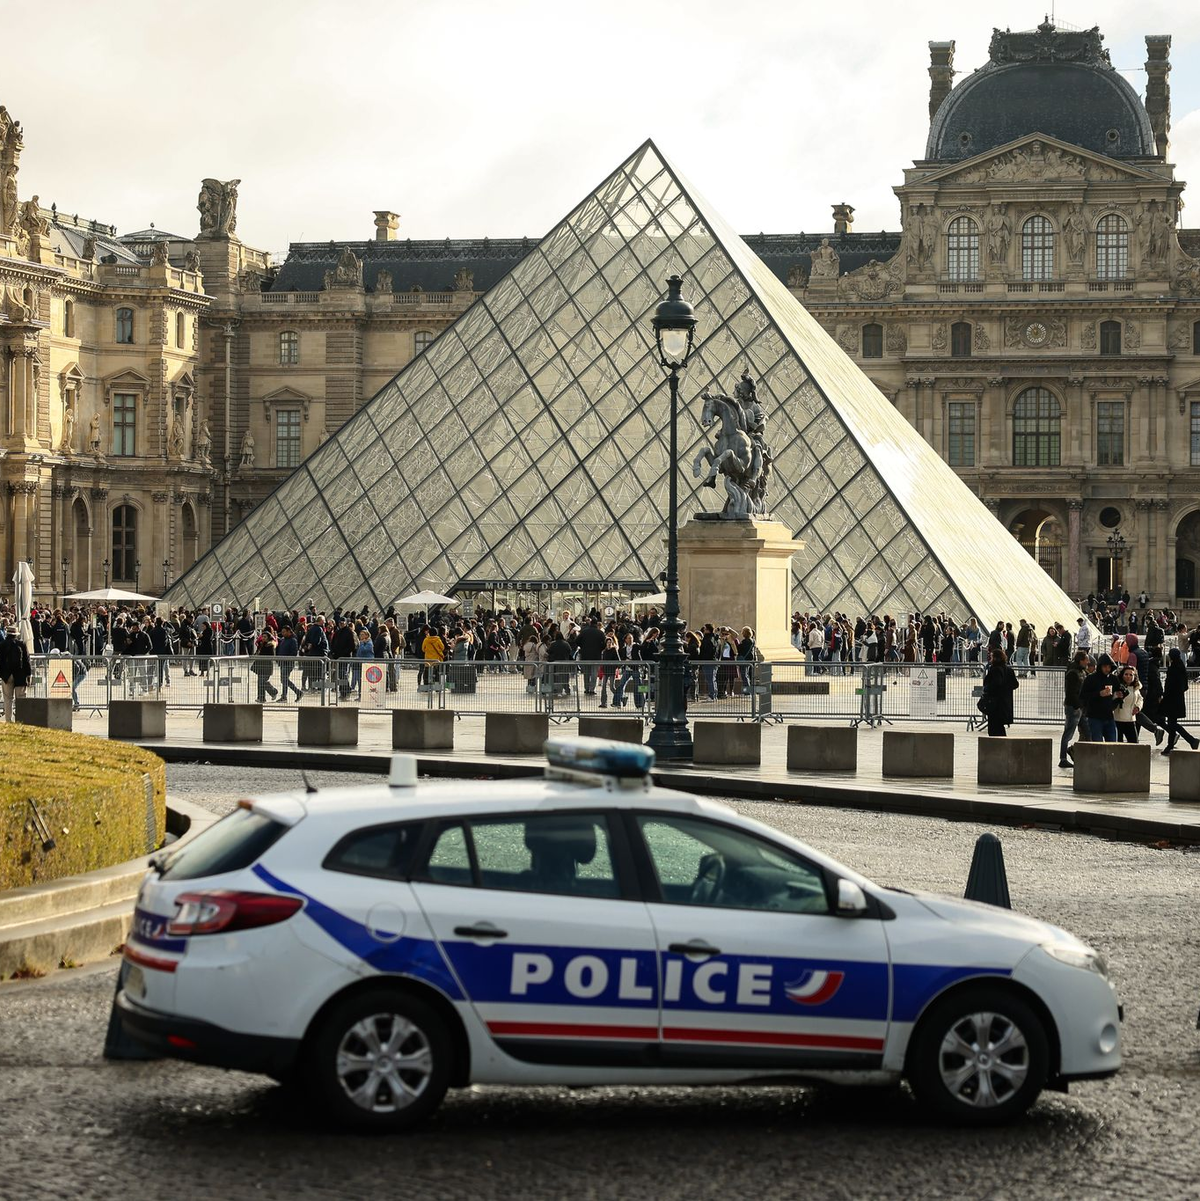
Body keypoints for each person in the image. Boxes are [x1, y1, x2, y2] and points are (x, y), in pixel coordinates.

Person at [1161, 647, 1200, 754]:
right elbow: (1185, 686)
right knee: (1172, 723)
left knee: (1172, 724)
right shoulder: (1181, 667)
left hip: (1171, 700)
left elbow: (1169, 686)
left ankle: (1191, 739)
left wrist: (1164, 696)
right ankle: (1170, 746)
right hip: (1178, 699)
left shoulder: (1173, 669)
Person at [1079, 653, 1121, 743]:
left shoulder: (1113, 679)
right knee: (1097, 745)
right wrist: (1099, 694)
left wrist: (1119, 696)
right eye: (1105, 666)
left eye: (1109, 667)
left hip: (1109, 716)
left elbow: (1120, 691)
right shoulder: (1091, 679)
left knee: (1112, 744)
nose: (1107, 669)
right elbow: (1083, 696)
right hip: (1094, 717)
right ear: (1100, 666)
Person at [980, 646, 1018, 737]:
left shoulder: (995, 669)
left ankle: (997, 749)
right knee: (999, 728)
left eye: (992, 657)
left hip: (995, 703)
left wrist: (986, 689)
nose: (990, 658)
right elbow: (1015, 684)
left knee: (994, 729)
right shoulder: (1009, 670)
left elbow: (996, 684)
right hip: (1005, 702)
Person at [1060, 650, 1089, 768]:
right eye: (1086, 659)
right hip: (1074, 707)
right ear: (1081, 660)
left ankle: (1073, 751)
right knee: (1068, 733)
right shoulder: (1073, 673)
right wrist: (1078, 705)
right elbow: (1071, 692)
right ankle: (1063, 758)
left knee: (1087, 732)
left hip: (1079, 707)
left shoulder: (1081, 672)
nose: (1088, 662)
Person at [0, 626, 32, 720]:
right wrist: (28, 674)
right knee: (21, 699)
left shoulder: (2, 644)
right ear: (16, 634)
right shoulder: (21, 644)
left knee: (8, 699)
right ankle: (20, 719)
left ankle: (8, 720)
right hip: (20, 675)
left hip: (7, 675)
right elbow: (27, 660)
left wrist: (2, 674)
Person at [1112, 664, 1143, 743]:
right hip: (1118, 719)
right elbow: (1111, 698)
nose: (1128, 677)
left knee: (1134, 743)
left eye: (1131, 675)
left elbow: (1140, 699)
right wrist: (1116, 696)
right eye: (1126, 674)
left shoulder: (1136, 688)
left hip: (1131, 719)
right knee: (1118, 744)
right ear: (1122, 675)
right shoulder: (1118, 686)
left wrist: (1138, 707)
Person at [277, 625, 303, 701]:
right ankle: (293, 693)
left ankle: (287, 695)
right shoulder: (283, 640)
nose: (283, 633)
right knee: (284, 679)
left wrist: (287, 659)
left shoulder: (293, 640)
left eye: (284, 632)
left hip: (288, 663)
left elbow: (294, 652)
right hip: (282, 663)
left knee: (284, 679)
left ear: (289, 631)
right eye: (282, 632)